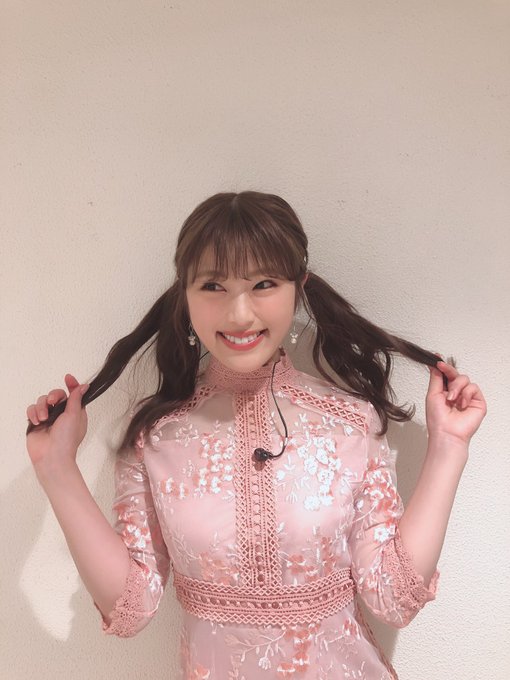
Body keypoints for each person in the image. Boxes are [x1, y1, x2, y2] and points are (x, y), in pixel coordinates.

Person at [26, 191, 487, 679]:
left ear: (298, 286)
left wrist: (449, 447)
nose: (240, 314)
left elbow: (394, 598)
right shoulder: (156, 435)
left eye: (263, 284)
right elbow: (131, 609)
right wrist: (56, 468)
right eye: (213, 286)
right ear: (185, 293)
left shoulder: (350, 421)